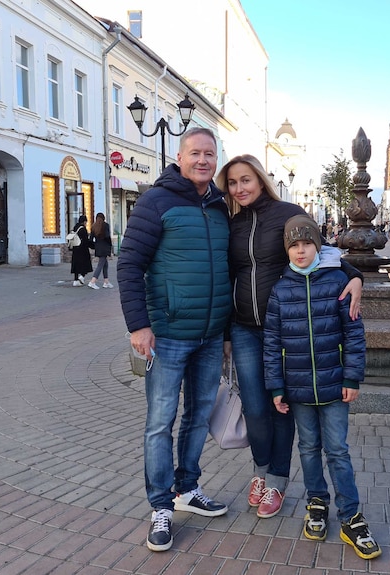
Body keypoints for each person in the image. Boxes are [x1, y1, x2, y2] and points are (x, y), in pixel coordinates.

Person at [217, 154, 362, 519]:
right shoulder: (231, 223)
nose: (240, 188)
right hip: (245, 327)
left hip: (286, 326)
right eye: (233, 183)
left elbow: (321, 251)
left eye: (246, 180)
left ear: (260, 180)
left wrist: (354, 273)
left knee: (280, 404)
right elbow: (224, 274)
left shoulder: (287, 212)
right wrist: (223, 332)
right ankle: (260, 471)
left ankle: (277, 481)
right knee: (255, 407)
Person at [117, 127, 231, 552]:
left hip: (209, 334)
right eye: (195, 153)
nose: (203, 161)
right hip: (167, 334)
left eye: (209, 154)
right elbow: (129, 264)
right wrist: (138, 325)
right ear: (179, 158)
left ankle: (187, 489)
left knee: (198, 416)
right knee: (159, 423)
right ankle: (161, 507)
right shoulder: (156, 200)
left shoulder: (220, 206)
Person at [263, 215, 380, 560]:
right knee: (309, 449)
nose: (300, 251)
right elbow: (271, 343)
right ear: (287, 250)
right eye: (294, 246)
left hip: (333, 387)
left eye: (307, 244)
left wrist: (351, 377)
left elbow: (354, 334)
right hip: (297, 388)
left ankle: (351, 516)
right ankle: (317, 502)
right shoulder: (281, 289)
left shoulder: (338, 281)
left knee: (337, 451)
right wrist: (276, 386)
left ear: (319, 245)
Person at [88, 212, 113, 289]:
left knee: (105, 264)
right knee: (100, 265)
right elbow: (107, 237)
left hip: (98, 247)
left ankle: (106, 282)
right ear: (103, 218)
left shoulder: (93, 226)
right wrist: (110, 246)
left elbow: (91, 239)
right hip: (105, 247)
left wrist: (95, 246)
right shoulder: (105, 225)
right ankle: (93, 281)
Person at [69, 215, 93, 286]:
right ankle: (82, 276)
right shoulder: (83, 229)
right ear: (84, 221)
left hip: (75, 249)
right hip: (83, 250)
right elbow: (86, 241)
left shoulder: (75, 228)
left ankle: (75, 280)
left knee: (76, 264)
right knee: (85, 264)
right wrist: (92, 245)